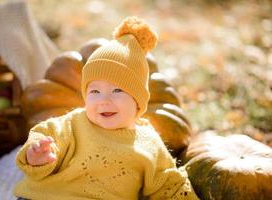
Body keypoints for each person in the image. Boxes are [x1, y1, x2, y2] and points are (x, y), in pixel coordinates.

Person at [14, 16, 199, 200]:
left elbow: (170, 185)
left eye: (117, 90)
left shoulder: (150, 144)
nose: (104, 100)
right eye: (94, 91)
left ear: (138, 101)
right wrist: (39, 155)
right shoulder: (73, 124)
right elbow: (47, 133)